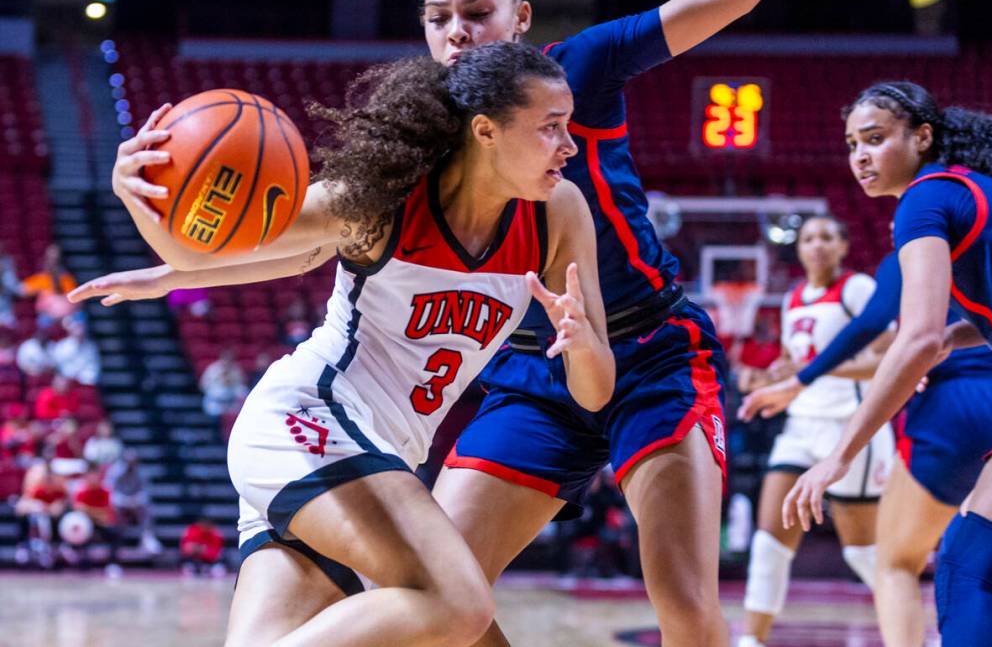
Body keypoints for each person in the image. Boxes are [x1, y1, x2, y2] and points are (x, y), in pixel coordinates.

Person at [368, 0, 830, 645]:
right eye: (439, 17)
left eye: (477, 11)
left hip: (649, 353)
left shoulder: (579, 66)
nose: (457, 32)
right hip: (533, 371)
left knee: (683, 604)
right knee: (433, 595)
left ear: (519, 18)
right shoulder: (423, 134)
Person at [70, 40, 614, 647]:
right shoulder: (383, 202)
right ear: (486, 131)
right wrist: (138, 202)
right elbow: (208, 248)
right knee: (460, 606)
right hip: (310, 424)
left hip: (373, 462)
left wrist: (582, 343)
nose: (570, 145)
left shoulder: (559, 213)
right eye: (551, 127)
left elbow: (594, 393)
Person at [742, 81, 992, 645]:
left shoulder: (925, 198)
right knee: (975, 559)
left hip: (931, 409)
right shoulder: (979, 188)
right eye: (851, 144)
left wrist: (839, 455)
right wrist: (958, 336)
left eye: (875, 139)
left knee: (964, 566)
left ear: (923, 137)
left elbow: (909, 336)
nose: (859, 156)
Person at [737, 216, 892, 647]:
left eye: (827, 236)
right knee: (768, 542)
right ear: (799, 249)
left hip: (851, 427)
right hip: (801, 425)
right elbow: (793, 363)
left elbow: (893, 359)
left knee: (863, 551)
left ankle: (914, 623)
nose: (817, 245)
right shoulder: (792, 300)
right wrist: (765, 377)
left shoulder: (857, 289)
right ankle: (751, 640)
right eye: (809, 238)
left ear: (843, 246)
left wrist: (818, 369)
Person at [20, 244, 77, 327]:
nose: (53, 262)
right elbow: (22, 290)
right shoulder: (41, 278)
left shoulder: (67, 279)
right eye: (51, 259)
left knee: (77, 323)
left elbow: (75, 301)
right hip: (46, 316)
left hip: (66, 315)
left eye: (56, 259)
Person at [51, 313, 101, 386]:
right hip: (67, 381)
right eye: (76, 328)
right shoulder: (62, 346)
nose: (79, 332)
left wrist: (86, 378)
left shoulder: (91, 347)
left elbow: (94, 366)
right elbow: (58, 366)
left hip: (85, 381)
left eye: (81, 328)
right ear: (71, 331)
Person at [199, 349, 249, 418]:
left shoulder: (236, 369)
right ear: (221, 358)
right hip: (216, 402)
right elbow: (203, 385)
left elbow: (243, 384)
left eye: (229, 358)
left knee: (243, 391)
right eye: (225, 358)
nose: (227, 360)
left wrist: (231, 380)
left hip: (232, 402)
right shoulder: (213, 368)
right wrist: (219, 380)